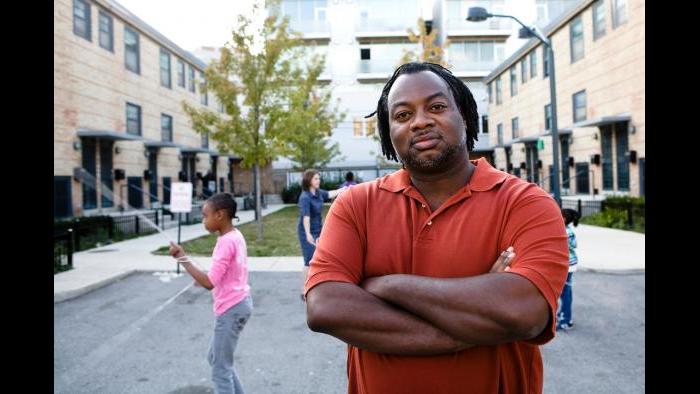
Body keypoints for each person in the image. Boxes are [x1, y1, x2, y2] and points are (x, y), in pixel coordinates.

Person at [304, 62, 569, 394]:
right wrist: (477, 321)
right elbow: (325, 307)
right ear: (389, 134)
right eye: (402, 115)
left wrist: (386, 286)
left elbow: (524, 313)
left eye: (437, 106)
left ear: (466, 117)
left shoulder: (525, 203)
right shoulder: (355, 205)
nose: (420, 121)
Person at [169, 193, 252, 394]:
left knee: (220, 369)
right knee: (216, 359)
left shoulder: (225, 242)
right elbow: (225, 273)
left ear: (220, 215)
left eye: (205, 215)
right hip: (240, 303)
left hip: (231, 309)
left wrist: (181, 257)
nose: (203, 220)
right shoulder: (235, 235)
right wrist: (201, 278)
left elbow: (209, 283)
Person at [298, 169, 347, 301]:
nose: (318, 181)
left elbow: (331, 193)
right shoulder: (305, 197)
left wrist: (344, 189)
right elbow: (305, 217)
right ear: (309, 180)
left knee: (318, 256)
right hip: (306, 231)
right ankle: (304, 289)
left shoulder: (318, 193)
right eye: (315, 179)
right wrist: (308, 234)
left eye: (318, 178)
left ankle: (316, 282)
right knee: (308, 259)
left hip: (318, 229)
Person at [557, 208, 580, 331]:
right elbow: (575, 244)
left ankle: (566, 320)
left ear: (564, 219)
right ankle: (564, 315)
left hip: (567, 265)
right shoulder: (568, 231)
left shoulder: (565, 231)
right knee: (566, 292)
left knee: (565, 293)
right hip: (569, 264)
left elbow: (570, 245)